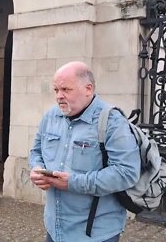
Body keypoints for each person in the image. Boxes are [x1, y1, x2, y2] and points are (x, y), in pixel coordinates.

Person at [29, 61, 140, 242]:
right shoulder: (50, 116)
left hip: (95, 234)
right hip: (54, 229)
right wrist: (36, 168)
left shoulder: (112, 122)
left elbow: (127, 173)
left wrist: (73, 182)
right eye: (56, 90)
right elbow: (35, 151)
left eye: (66, 89)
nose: (59, 96)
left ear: (88, 89)